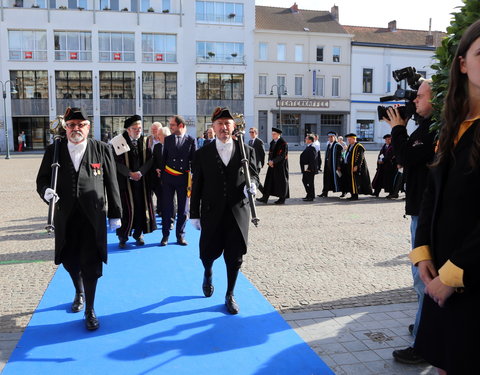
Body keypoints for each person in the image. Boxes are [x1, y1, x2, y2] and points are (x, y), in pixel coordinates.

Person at [408, 20, 480, 374]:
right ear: (463, 63)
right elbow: (431, 193)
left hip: (469, 278)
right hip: (441, 272)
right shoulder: (454, 122)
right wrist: (422, 252)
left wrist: (453, 275)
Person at [36, 107, 122, 331]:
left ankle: (90, 308)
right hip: (65, 215)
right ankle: (78, 290)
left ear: (88, 127)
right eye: (72, 125)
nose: (76, 129)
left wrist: (115, 213)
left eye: (81, 125)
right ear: (66, 128)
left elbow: (112, 183)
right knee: (69, 260)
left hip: (92, 217)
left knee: (91, 264)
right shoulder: (54, 150)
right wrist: (46, 191)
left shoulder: (101, 149)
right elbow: (42, 178)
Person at [384, 80, 436, 364]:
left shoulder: (432, 129)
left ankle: (423, 345)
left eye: (420, 97)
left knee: (423, 279)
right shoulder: (424, 127)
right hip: (419, 209)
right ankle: (424, 327)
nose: (415, 101)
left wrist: (398, 127)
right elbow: (403, 158)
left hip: (425, 212)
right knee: (421, 279)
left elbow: (406, 155)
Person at [190, 106, 259, 314]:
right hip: (212, 212)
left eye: (228, 124)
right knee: (207, 253)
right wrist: (194, 213)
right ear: (213, 127)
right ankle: (208, 272)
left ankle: (230, 293)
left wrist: (253, 185)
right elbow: (197, 185)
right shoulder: (202, 154)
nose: (224, 128)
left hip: (238, 212)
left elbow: (254, 175)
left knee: (235, 256)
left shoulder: (247, 151)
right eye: (220, 124)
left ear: (233, 127)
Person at [111, 114, 157, 249]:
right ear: (128, 130)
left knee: (141, 209)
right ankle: (123, 236)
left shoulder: (146, 141)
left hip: (142, 182)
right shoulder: (118, 141)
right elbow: (115, 162)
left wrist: (141, 172)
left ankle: (138, 234)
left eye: (140, 128)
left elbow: (150, 159)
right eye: (135, 128)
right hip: (125, 183)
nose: (138, 130)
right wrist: (129, 173)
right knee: (126, 210)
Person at [159, 115, 196, 246]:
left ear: (180, 125)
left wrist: (194, 179)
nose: (170, 127)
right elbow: (164, 159)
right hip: (169, 178)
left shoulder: (190, 140)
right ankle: (165, 236)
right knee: (167, 208)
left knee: (183, 209)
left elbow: (194, 161)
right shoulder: (168, 139)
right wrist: (162, 177)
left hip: (183, 179)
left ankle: (180, 235)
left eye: (172, 125)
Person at [256, 127, 289, 205]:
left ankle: (282, 198)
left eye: (274, 134)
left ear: (278, 134)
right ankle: (265, 197)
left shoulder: (283, 143)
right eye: (272, 134)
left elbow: (282, 155)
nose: (272, 135)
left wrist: (273, 161)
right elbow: (270, 153)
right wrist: (269, 161)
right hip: (272, 165)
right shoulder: (272, 142)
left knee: (281, 182)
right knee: (269, 181)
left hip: (280, 166)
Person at [341, 133, 372, 200]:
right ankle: (352, 194)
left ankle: (355, 195)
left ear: (354, 138)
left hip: (355, 167)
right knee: (350, 180)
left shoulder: (359, 146)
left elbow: (360, 157)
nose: (348, 141)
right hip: (349, 166)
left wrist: (356, 166)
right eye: (348, 139)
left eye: (350, 139)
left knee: (355, 181)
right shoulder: (350, 145)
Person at [151, 126, 172, 218]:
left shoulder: (173, 146)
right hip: (159, 177)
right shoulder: (157, 146)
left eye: (159, 135)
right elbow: (154, 160)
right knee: (160, 196)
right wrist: (156, 169)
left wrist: (165, 171)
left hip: (171, 176)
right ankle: (162, 213)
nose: (157, 137)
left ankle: (171, 218)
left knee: (170, 199)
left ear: (166, 136)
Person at [319, 131, 343, 197]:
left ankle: (344, 191)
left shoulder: (338, 145)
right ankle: (325, 192)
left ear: (335, 137)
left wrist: (338, 165)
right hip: (328, 166)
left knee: (339, 179)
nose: (330, 138)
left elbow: (340, 156)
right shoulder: (329, 145)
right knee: (327, 179)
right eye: (329, 137)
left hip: (335, 166)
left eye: (332, 137)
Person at [299, 134, 318, 201]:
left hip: (309, 168)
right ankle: (308, 194)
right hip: (306, 167)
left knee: (310, 182)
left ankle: (311, 196)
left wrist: (309, 168)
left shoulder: (312, 147)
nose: (305, 139)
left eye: (306, 138)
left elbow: (312, 160)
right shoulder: (308, 146)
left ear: (310, 140)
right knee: (305, 181)